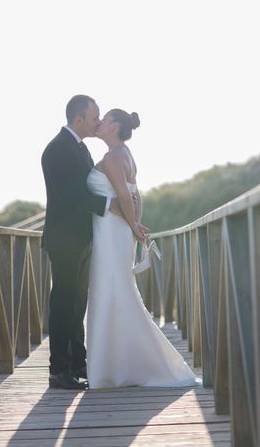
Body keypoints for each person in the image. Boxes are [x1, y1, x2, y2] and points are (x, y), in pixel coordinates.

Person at [86, 108, 198, 388]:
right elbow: (137, 195)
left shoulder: (112, 158)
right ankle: (118, 364)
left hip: (111, 231)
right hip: (118, 231)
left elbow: (125, 196)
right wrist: (135, 224)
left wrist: (135, 227)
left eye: (105, 118)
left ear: (114, 126)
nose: (99, 122)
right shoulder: (125, 153)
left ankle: (116, 367)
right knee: (116, 290)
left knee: (110, 289)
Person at [41, 94, 113, 390]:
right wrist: (112, 204)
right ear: (78, 118)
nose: (98, 121)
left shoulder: (80, 149)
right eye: (95, 116)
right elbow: (72, 195)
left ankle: (77, 362)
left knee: (77, 303)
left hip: (82, 237)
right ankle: (58, 370)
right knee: (63, 302)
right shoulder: (57, 149)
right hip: (65, 238)